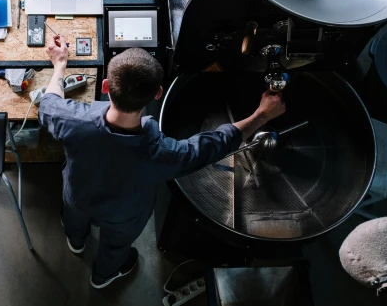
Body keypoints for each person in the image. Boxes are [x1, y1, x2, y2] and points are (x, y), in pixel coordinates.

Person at [38, 36, 286, 289]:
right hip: (124, 215)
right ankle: (103, 276)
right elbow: (216, 144)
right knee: (116, 246)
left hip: (77, 197)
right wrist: (261, 115)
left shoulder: (73, 121)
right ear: (158, 93)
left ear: (104, 86)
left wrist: (59, 64)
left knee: (74, 220)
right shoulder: (164, 154)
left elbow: (48, 104)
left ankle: (76, 241)